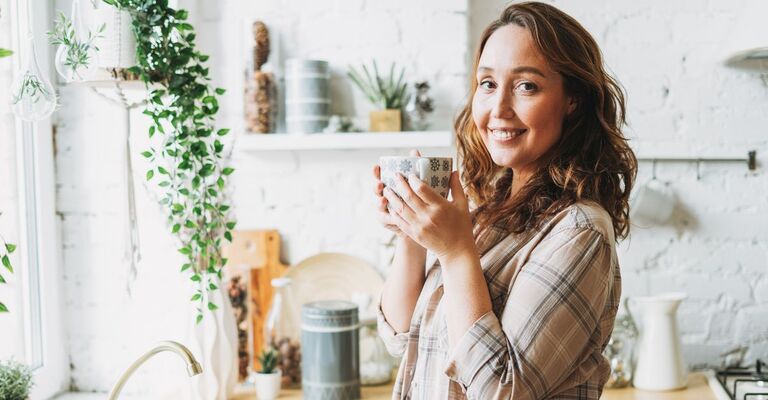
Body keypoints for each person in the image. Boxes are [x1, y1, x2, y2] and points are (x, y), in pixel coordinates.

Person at [371, 2, 637, 399]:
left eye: (526, 86)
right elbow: (401, 336)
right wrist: (412, 234)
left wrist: (456, 252)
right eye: (488, 84)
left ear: (573, 100)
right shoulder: (485, 214)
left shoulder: (580, 232)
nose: (498, 109)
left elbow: (502, 389)